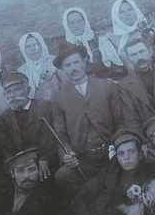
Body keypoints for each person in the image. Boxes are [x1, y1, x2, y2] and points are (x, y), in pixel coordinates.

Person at [52, 42, 138, 189]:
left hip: (113, 152)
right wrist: (67, 155)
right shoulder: (59, 97)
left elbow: (121, 121)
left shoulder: (107, 86)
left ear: (84, 61)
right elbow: (61, 135)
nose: (73, 68)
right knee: (62, 176)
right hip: (84, 159)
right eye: (68, 65)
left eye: (76, 62)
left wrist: (118, 145)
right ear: (62, 69)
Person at [0, 71, 62, 180]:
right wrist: (18, 166)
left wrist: (45, 158)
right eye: (8, 91)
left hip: (48, 163)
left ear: (28, 90)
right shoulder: (4, 118)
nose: (13, 95)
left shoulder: (46, 107)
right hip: (20, 166)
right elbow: (6, 149)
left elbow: (54, 139)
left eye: (17, 89)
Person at [62, 6, 122, 79]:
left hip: (107, 77)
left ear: (85, 21)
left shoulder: (98, 38)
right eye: (72, 23)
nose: (76, 25)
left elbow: (112, 61)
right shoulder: (66, 47)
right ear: (67, 25)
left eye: (79, 21)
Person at [98, 0, 153, 73]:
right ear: (116, 15)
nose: (127, 14)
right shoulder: (110, 39)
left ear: (135, 10)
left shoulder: (148, 31)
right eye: (121, 12)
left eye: (130, 9)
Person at [17, 31, 59, 100]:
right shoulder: (21, 71)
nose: (33, 48)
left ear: (41, 45)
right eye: (28, 46)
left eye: (35, 44)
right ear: (23, 50)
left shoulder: (54, 61)